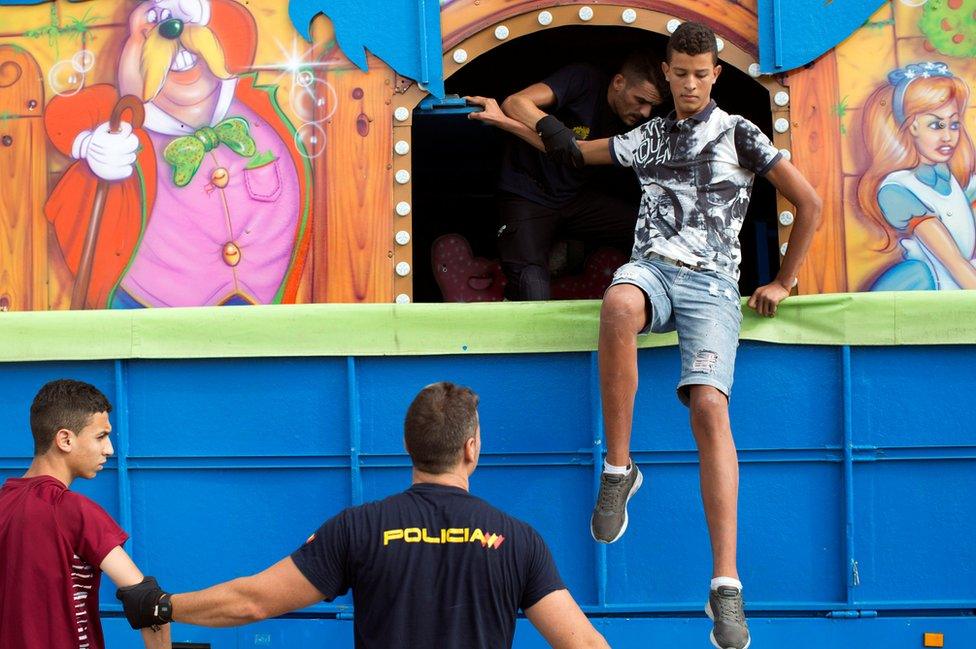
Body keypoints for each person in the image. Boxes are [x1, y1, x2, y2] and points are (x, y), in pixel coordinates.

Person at [551, 22, 822, 649]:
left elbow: (808, 203)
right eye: (682, 74)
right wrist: (514, 119)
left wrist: (782, 280)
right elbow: (571, 151)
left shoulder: (740, 133)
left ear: (715, 75)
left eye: (702, 74)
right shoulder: (648, 135)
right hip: (652, 270)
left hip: (712, 286)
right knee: (618, 305)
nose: (692, 84)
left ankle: (726, 585)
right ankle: (618, 468)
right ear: (667, 73)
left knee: (708, 408)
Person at [115, 382, 610, 649]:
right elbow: (582, 644)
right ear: (472, 449)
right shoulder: (518, 541)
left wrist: (163, 605)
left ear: (407, 447)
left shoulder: (360, 529)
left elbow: (252, 602)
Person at [466, 50, 667, 300]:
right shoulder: (584, 79)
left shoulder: (639, 128)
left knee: (655, 230)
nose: (646, 112)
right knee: (532, 289)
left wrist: (506, 123)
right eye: (640, 100)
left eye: (652, 106)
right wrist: (548, 127)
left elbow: (576, 153)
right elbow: (516, 103)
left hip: (574, 200)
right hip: (528, 195)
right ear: (618, 83)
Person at [0, 379, 170, 649]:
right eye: (101, 436)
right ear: (65, 439)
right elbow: (148, 603)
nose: (110, 449)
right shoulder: (74, 511)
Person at [856, 61, 976, 290]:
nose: (948, 137)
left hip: (957, 278)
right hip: (926, 283)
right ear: (911, 127)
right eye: (936, 125)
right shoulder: (895, 190)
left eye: (954, 125)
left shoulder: (949, 175)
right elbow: (953, 262)